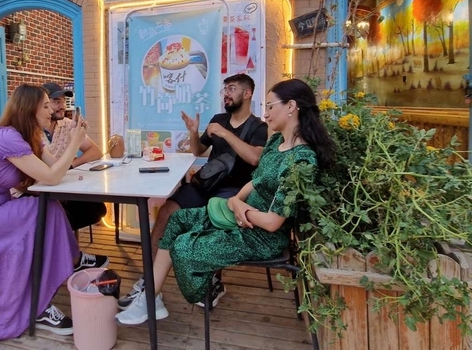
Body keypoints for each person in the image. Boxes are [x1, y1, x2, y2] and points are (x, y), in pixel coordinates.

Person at [116, 79, 336, 324]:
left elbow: (273, 223)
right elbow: (257, 180)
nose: (267, 112)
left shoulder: (301, 161)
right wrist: (237, 200)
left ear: (291, 106)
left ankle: (207, 289)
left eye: (271, 106)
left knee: (183, 247)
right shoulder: (276, 143)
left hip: (261, 235)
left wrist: (240, 206)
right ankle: (150, 301)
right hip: (240, 213)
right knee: (175, 218)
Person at [0, 84, 109, 341]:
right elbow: (51, 177)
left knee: (47, 206)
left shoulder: (31, 135)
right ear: (30, 110)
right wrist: (74, 143)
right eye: (46, 106)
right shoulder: (8, 138)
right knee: (39, 208)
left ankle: (67, 264)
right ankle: (60, 276)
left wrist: (71, 143)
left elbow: (53, 167)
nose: (51, 110)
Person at [119, 73, 268, 310]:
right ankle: (149, 282)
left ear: (247, 93)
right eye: (225, 90)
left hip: (234, 192)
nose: (226, 94)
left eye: (231, 89)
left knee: (213, 223)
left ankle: (214, 281)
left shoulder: (258, 127)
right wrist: (193, 131)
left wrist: (224, 133)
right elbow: (198, 151)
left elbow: (255, 159)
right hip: (206, 185)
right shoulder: (219, 119)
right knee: (167, 211)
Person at [38, 82, 108, 238]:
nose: (62, 106)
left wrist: (72, 164)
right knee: (63, 214)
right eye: (56, 102)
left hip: (61, 185)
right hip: (38, 189)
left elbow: (96, 151)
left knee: (97, 209)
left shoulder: (68, 124)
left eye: (64, 101)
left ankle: (66, 251)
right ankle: (65, 252)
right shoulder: (31, 130)